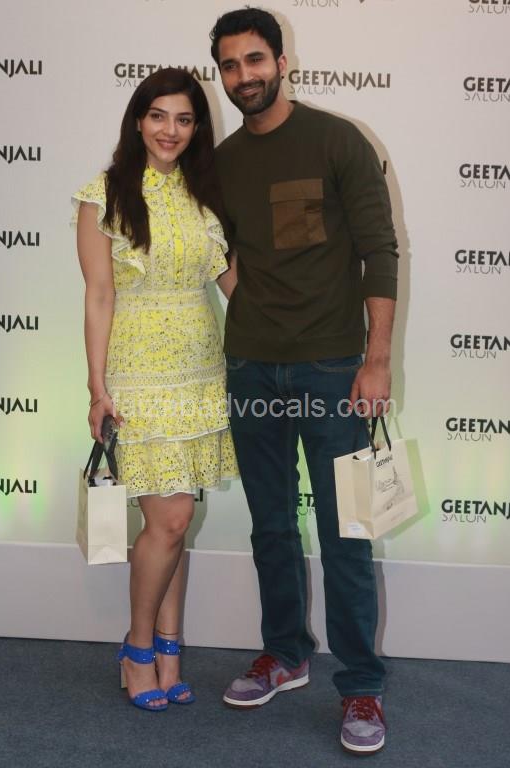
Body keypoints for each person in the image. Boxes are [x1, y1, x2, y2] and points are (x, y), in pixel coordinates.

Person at [209, 8, 399, 755]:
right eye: (230, 66)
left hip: (333, 370)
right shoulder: (222, 161)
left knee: (347, 530)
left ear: (282, 61)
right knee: (270, 525)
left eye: (255, 60)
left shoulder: (337, 140)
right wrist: (253, 305)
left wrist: (376, 359)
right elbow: (221, 254)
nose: (244, 76)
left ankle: (361, 685)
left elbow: (379, 251)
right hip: (250, 366)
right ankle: (285, 654)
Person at [73, 68, 238, 711]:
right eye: (159, 116)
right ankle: (138, 648)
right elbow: (99, 294)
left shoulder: (206, 194)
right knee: (168, 518)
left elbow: (231, 284)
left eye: (184, 119)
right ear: (138, 120)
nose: (171, 130)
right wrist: (97, 386)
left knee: (176, 519)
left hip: (201, 367)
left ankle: (169, 649)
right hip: (138, 371)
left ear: (197, 128)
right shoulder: (104, 194)